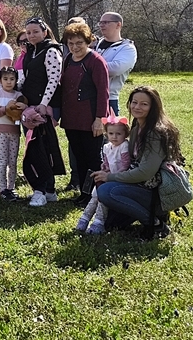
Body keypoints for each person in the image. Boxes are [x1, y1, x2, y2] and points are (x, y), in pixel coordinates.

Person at [93, 86, 184, 239]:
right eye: (134, 102)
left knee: (106, 191)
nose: (137, 107)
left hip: (156, 193)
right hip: (139, 186)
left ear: (153, 107)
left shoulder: (155, 133)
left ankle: (156, 224)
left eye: (144, 104)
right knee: (112, 224)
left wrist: (110, 177)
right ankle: (147, 214)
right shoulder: (137, 127)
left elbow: (145, 172)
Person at [59, 22, 110, 206]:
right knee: (79, 158)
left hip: (90, 119)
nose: (75, 47)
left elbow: (104, 92)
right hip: (72, 118)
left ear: (87, 41)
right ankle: (84, 192)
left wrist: (99, 120)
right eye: (71, 43)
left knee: (92, 159)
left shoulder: (96, 61)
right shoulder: (68, 60)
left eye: (79, 42)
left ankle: (98, 195)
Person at [20, 17, 65, 207]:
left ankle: (43, 189)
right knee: (35, 147)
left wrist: (43, 104)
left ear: (45, 32)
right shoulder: (31, 52)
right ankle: (48, 189)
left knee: (42, 149)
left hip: (41, 109)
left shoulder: (51, 51)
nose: (31, 36)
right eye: (28, 32)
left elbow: (54, 80)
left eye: (35, 32)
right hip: (28, 107)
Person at [77, 117, 130, 234]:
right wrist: (104, 168)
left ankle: (98, 222)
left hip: (118, 179)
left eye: (118, 134)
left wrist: (112, 176)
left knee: (103, 199)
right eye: (111, 133)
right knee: (94, 196)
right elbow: (106, 162)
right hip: (107, 177)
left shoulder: (124, 146)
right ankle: (84, 219)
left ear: (125, 134)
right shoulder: (107, 147)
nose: (114, 137)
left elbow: (125, 165)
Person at [0, 67, 28, 200]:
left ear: (16, 80)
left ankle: (11, 188)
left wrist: (24, 107)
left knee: (13, 161)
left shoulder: (18, 95)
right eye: (5, 79)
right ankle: (2, 189)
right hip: (0, 132)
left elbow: (22, 113)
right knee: (2, 160)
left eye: (12, 79)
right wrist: (6, 108)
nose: (9, 82)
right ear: (0, 80)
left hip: (14, 132)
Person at [94, 12, 138, 116]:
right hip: (88, 98)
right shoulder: (96, 43)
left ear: (118, 25)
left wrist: (89, 66)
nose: (102, 26)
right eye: (100, 23)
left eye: (106, 22)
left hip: (109, 99)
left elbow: (114, 69)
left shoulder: (127, 48)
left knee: (108, 132)